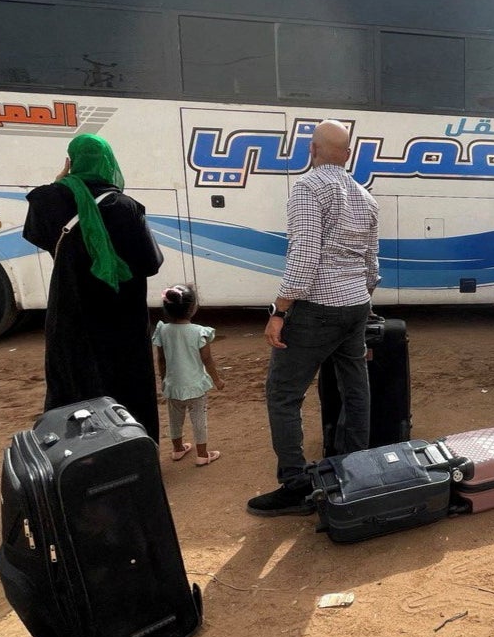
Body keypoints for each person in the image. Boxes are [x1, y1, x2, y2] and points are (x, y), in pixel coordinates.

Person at [248, 120, 379, 517]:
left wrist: (279, 311)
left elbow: (304, 257)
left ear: (311, 150)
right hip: (356, 305)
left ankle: (294, 484)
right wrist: (359, 297)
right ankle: (354, 470)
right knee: (355, 386)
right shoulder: (366, 197)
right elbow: (373, 266)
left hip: (317, 308)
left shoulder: (307, 188)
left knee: (283, 395)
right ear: (349, 154)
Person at [23, 133, 164, 442]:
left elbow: (39, 235)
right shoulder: (125, 206)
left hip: (71, 311)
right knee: (127, 385)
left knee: (74, 382)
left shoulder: (46, 200)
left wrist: (60, 183)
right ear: (109, 163)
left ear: (71, 162)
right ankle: (133, 451)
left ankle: (79, 457)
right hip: (121, 315)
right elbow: (150, 263)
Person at [153, 284, 226, 466]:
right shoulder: (199, 332)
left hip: (173, 385)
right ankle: (202, 455)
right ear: (192, 308)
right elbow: (207, 360)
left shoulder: (162, 330)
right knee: (199, 420)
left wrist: (164, 379)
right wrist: (217, 380)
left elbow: (161, 359)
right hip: (195, 386)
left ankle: (177, 450)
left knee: (175, 419)